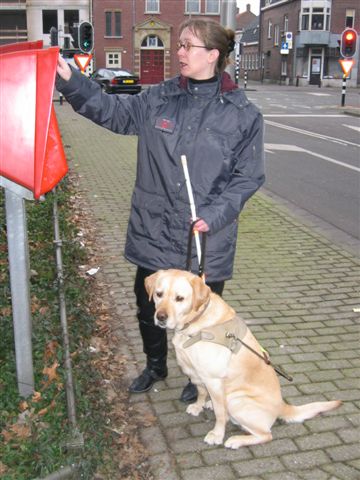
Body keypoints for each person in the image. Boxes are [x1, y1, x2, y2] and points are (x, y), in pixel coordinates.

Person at [56, 18, 265, 403]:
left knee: (201, 316)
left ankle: (196, 374)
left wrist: (214, 216)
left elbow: (248, 178)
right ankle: (155, 365)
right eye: (180, 44)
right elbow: (113, 113)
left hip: (204, 238)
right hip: (154, 229)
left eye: (188, 46)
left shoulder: (243, 114)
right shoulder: (159, 97)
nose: (180, 52)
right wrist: (72, 82)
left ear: (213, 55)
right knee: (148, 305)